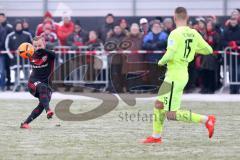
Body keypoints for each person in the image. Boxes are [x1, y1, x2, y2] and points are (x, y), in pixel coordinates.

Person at [143, 7, 216, 144]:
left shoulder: (175, 33)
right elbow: (208, 49)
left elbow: (169, 54)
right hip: (180, 74)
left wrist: (160, 62)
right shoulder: (193, 33)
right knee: (158, 104)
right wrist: (193, 49)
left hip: (174, 76)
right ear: (187, 18)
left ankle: (207, 120)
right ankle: (156, 137)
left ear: (174, 18)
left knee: (171, 114)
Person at [20, 36, 55, 129]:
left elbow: (53, 54)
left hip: (47, 85)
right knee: (42, 87)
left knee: (41, 105)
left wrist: (43, 50)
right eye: (35, 46)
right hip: (33, 83)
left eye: (39, 45)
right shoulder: (31, 53)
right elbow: (22, 51)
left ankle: (25, 123)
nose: (37, 48)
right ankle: (48, 110)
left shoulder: (49, 54)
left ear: (44, 45)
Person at [5, 20, 32, 91]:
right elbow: (7, 47)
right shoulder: (10, 36)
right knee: (16, 72)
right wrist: (11, 56)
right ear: (15, 26)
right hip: (15, 58)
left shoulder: (27, 35)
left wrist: (30, 54)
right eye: (17, 26)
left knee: (26, 71)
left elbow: (31, 45)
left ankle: (27, 87)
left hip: (26, 58)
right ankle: (17, 86)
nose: (19, 27)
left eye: (20, 26)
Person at [200, 21, 221, 94]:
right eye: (207, 25)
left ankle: (211, 88)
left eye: (209, 25)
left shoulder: (215, 34)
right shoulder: (205, 34)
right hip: (204, 56)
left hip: (212, 56)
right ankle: (204, 87)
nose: (208, 27)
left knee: (211, 72)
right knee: (204, 72)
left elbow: (217, 44)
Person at [223, 16, 240, 94]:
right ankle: (232, 89)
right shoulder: (226, 31)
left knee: (238, 72)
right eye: (232, 20)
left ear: (237, 21)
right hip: (230, 56)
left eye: (235, 20)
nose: (233, 22)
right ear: (230, 21)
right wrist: (229, 44)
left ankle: (238, 88)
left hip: (238, 56)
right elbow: (222, 41)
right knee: (231, 72)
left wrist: (236, 43)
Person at [0, 13, 13, 90]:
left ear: (5, 18)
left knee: (7, 68)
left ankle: (8, 84)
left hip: (6, 51)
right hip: (2, 51)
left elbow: (9, 39)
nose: (0, 19)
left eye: (2, 17)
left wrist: (8, 50)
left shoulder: (9, 27)